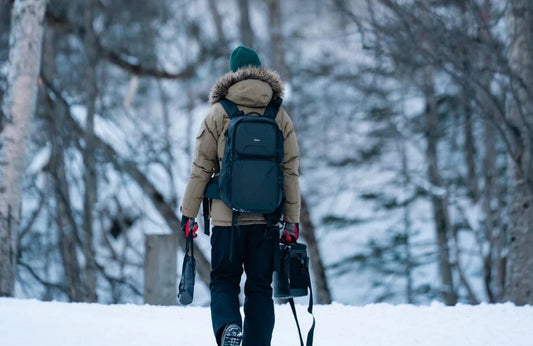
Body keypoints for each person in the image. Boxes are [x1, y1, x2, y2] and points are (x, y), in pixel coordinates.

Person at [180, 46, 301, 346]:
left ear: (233, 74)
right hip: (267, 220)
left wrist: (188, 214)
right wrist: (292, 222)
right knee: (260, 288)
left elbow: (200, 170)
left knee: (224, 281)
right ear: (261, 71)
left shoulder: (219, 113)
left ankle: (229, 328)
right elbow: (290, 172)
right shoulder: (279, 115)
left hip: (226, 220)